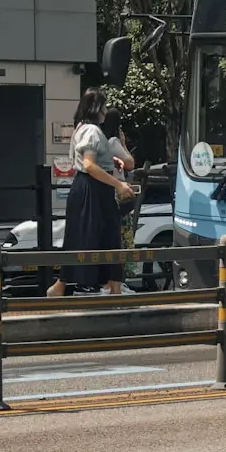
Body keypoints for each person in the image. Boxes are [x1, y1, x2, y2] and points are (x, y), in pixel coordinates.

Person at [48, 90, 138, 298]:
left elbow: (87, 162)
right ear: (97, 109)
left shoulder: (80, 128)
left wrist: (109, 163)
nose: (106, 112)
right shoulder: (93, 132)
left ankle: (62, 287)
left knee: (84, 237)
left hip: (86, 187)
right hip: (94, 189)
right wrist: (118, 184)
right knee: (106, 236)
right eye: (104, 107)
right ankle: (112, 288)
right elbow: (89, 165)